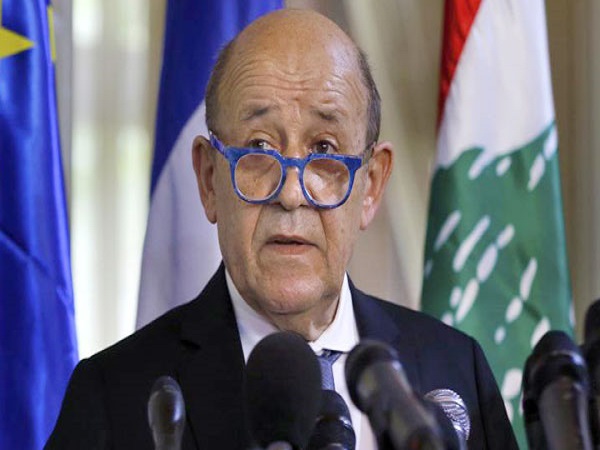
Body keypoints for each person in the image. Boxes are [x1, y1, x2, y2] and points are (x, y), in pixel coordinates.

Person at [46, 9, 518, 449]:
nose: (291, 193)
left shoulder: (456, 370)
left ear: (371, 186)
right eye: (258, 147)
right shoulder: (113, 397)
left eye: (325, 150)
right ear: (209, 180)